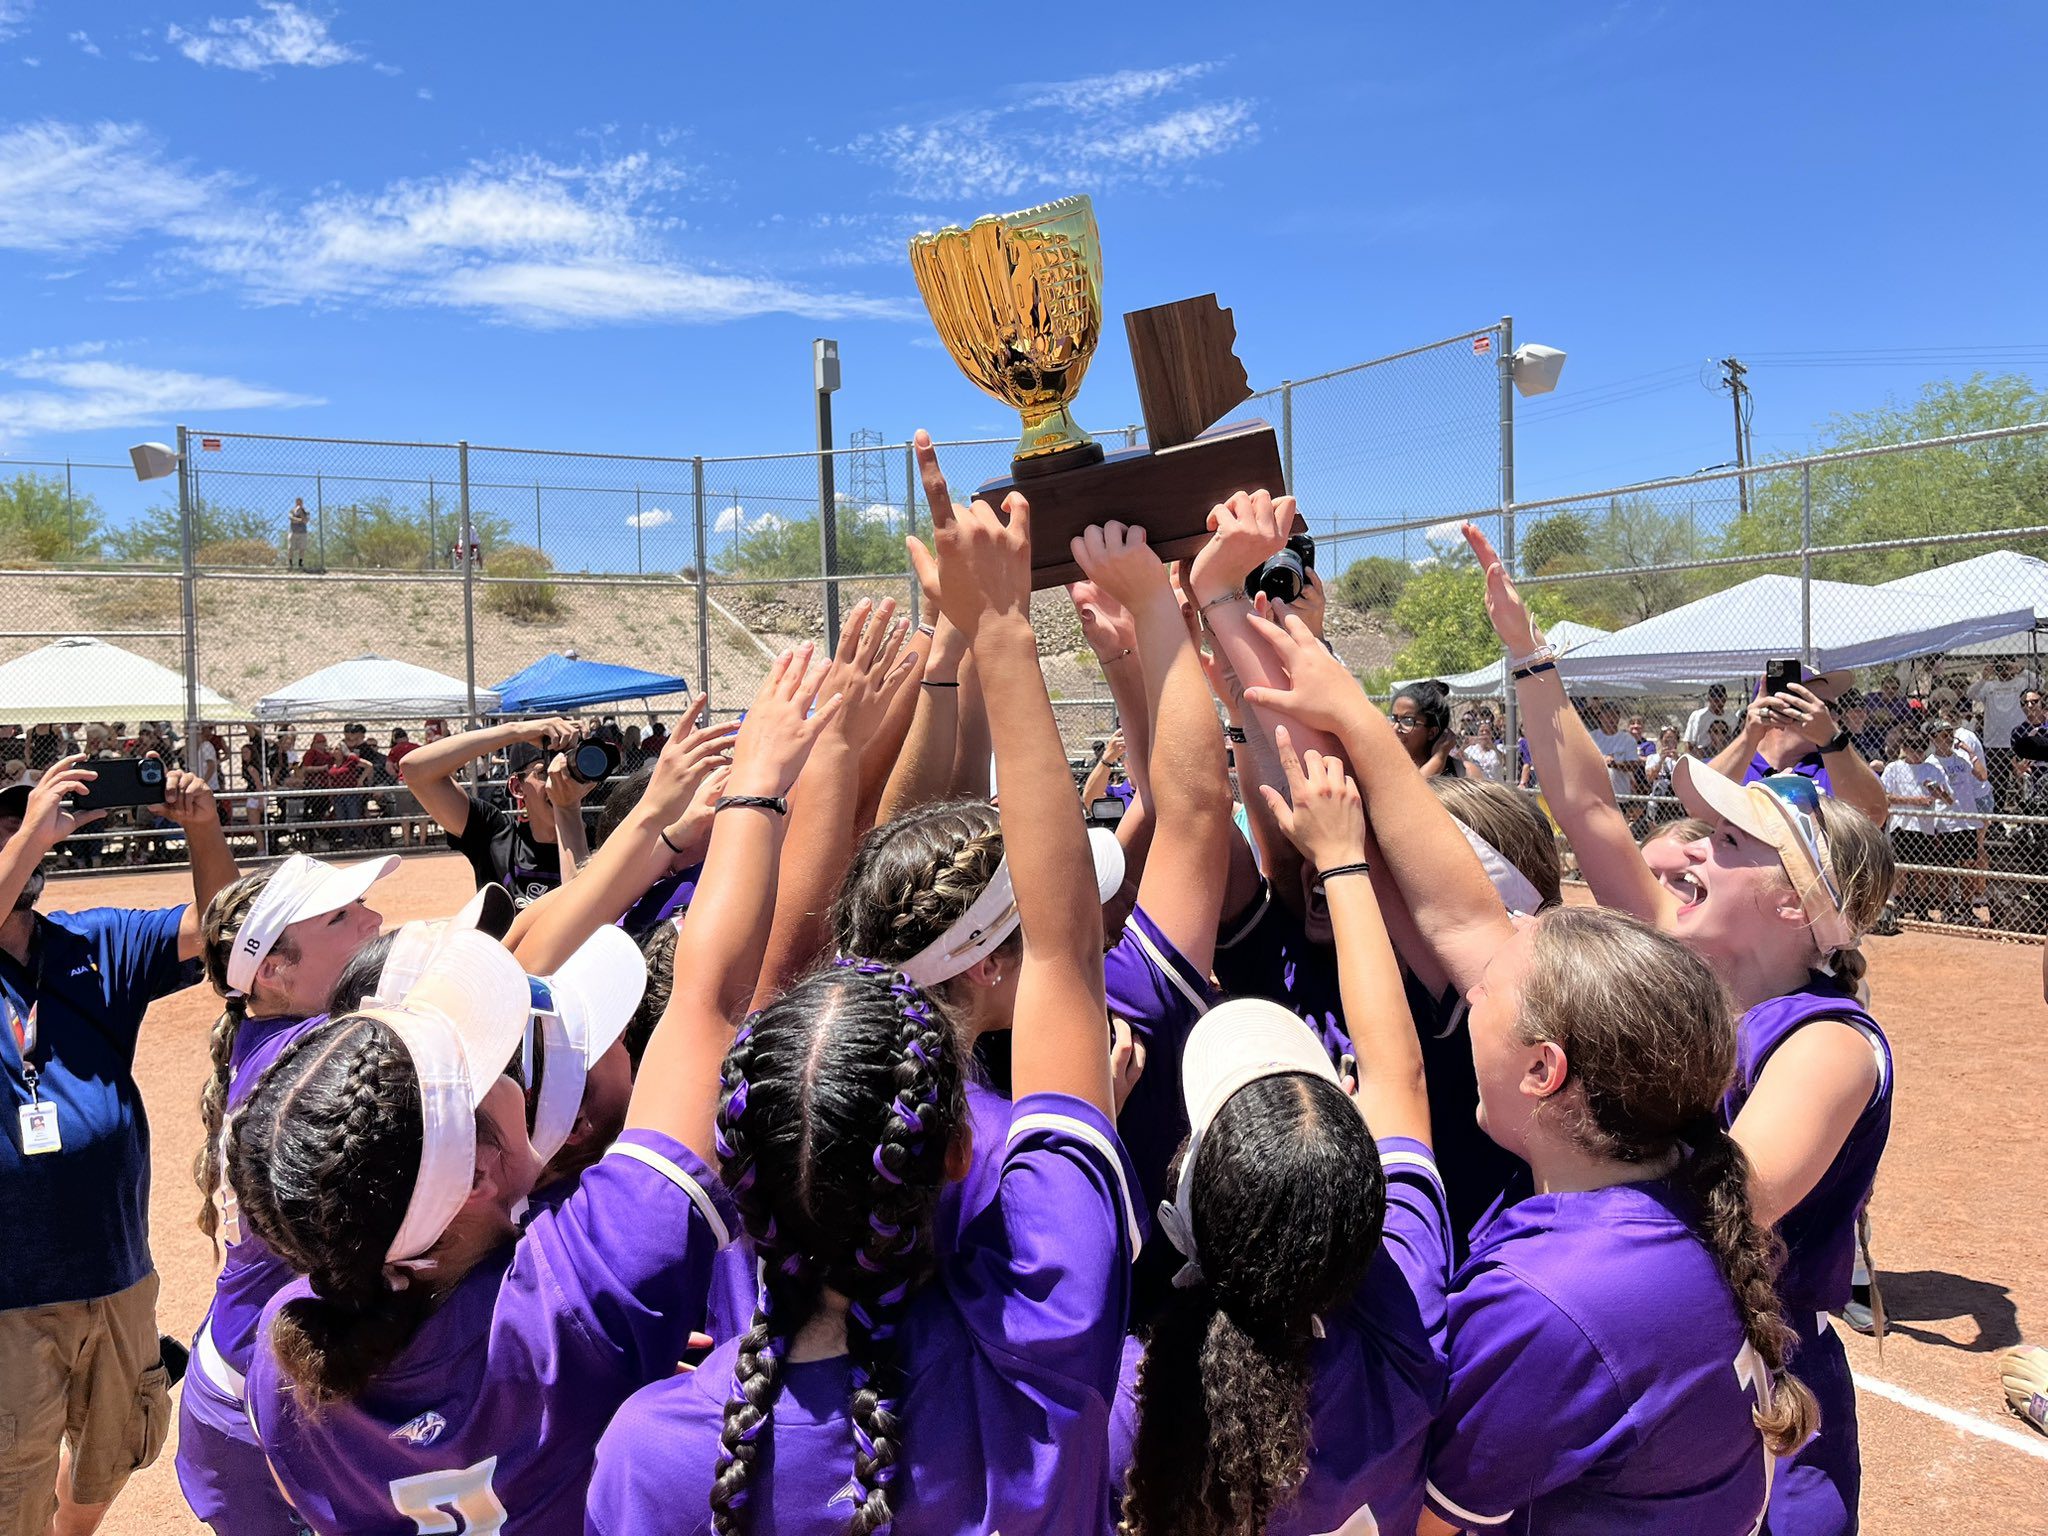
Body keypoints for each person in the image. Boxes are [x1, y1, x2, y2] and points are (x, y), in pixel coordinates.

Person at [586, 435, 1139, 1536]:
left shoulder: (649, 1456)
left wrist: (969, 643)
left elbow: (740, 986)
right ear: (952, 1150)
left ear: (731, 1172)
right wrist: (997, 625)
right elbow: (1069, 953)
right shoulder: (1047, 1323)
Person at [1228, 621, 1814, 1534]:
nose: (1475, 977)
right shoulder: (1670, 1204)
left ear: (1545, 1069)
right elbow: (1463, 919)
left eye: (1492, 990)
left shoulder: (1550, 1299)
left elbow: (1430, 1522)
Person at [235, 647, 835, 1534]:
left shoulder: (287, 1358)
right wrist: (759, 787)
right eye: (489, 1066)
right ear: (480, 1171)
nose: (506, 1058)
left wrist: (670, 826)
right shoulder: (581, 1286)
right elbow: (713, 1000)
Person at [1434, 522, 1897, 1534]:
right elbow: (1587, 809)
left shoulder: (1821, 1041)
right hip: (1643, 1346)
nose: (1684, 851)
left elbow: (1724, 1201)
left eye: (1726, 843)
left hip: (1761, 1388)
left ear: (1791, 907)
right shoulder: (1684, 980)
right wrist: (1528, 656)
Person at [1116, 740, 1448, 1536]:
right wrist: (1342, 860)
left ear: (1184, 1218)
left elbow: (1392, 1081)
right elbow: (1399, 1074)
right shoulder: (1407, 1338)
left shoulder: (1137, 1400)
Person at [0, 757, 237, 1536]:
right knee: (10, 1474)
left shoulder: (93, 940)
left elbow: (221, 935)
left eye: (18, 821)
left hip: (113, 1270)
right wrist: (32, 834)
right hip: (8, 1296)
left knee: (117, 1447)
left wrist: (203, 828)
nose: (18, 836)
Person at [174, 854, 396, 1535]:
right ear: (273, 971)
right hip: (264, 1406)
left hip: (248, 1376)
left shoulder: (281, 1033)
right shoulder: (318, 1056)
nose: (374, 919)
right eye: (340, 917)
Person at [397, 717, 599, 905]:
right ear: (517, 788)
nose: (558, 781)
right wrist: (516, 730)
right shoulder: (496, 837)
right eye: (544, 772)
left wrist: (568, 809)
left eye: (569, 773)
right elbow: (414, 769)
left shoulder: (602, 841)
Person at [1706, 669, 1890, 828]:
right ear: (1778, 706)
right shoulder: (1733, 764)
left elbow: (1874, 815)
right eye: (1825, 706)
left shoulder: (1835, 768)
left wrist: (1831, 740)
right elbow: (1699, 811)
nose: (1833, 716)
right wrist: (1748, 736)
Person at [1882, 727, 1952, 920]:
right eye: (1913, 749)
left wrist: (1938, 792)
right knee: (1901, 868)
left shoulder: (1931, 769)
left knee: (1922, 870)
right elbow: (1885, 796)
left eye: (1921, 749)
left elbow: (1949, 799)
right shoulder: (1894, 768)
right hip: (1902, 826)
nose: (1918, 754)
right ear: (1904, 748)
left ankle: (1921, 908)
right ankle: (1900, 905)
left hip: (1925, 827)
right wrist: (1914, 800)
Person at [1928, 719, 1989, 924]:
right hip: (1946, 822)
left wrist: (1971, 752)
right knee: (1945, 868)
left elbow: (1982, 775)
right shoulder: (1931, 763)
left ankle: (1964, 908)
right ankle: (1946, 908)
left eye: (1950, 733)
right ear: (1934, 739)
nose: (1948, 738)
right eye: (1943, 734)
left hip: (1967, 820)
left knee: (1968, 866)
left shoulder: (1961, 759)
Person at [1967, 657, 2041, 810]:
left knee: (2026, 784)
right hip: (1994, 744)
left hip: (2020, 741)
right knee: (1995, 786)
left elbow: (2040, 683)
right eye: (2000, 666)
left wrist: (2021, 670)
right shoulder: (1989, 685)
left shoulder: (2022, 682)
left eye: (2007, 665)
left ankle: (2026, 820)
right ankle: (1996, 821)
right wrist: (1983, 678)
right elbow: (1970, 693)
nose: (2004, 669)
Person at [1389, 680, 1464, 778]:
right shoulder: (1383, 768)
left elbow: (1416, 791)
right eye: (1393, 719)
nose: (1395, 729)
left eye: (1407, 721)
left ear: (1432, 733)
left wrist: (1439, 757)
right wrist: (1438, 758)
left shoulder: (1462, 772)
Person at [1684, 683, 1734, 750]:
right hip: (1702, 753)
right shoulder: (1697, 716)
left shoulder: (1731, 718)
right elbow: (1689, 743)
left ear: (1725, 698)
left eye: (1721, 699)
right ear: (1709, 698)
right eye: (1715, 700)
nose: (1718, 703)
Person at [1463, 717, 1507, 784]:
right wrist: (1464, 745)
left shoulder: (1499, 747)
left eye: (1487, 731)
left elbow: (1506, 761)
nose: (1484, 733)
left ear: (1491, 734)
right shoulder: (1471, 749)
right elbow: (1458, 757)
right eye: (1481, 731)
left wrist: (1492, 746)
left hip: (1496, 785)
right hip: (1478, 785)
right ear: (1477, 734)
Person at [285, 498, 310, 570]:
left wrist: (301, 513)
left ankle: (300, 563)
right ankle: (290, 563)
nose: (299, 504)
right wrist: (300, 520)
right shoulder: (292, 511)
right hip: (293, 532)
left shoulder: (306, 511)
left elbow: (306, 521)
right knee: (290, 548)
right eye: (297, 503)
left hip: (303, 533)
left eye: (300, 503)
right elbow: (291, 518)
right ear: (295, 503)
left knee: (302, 548)